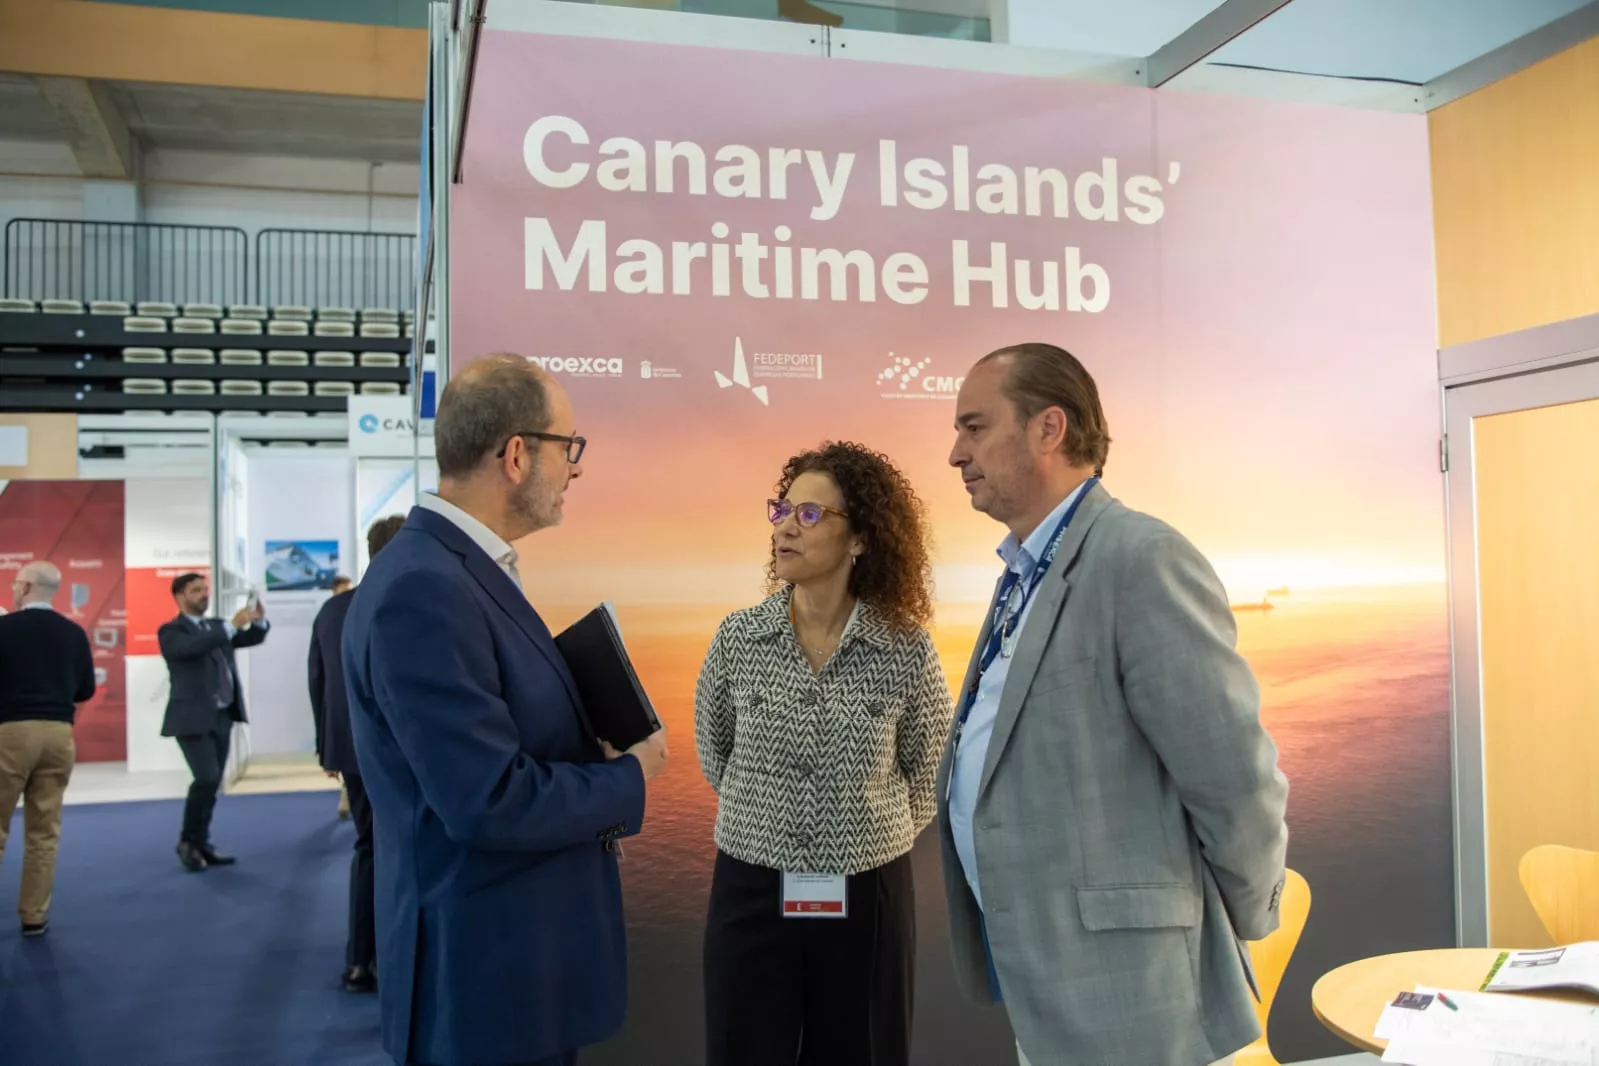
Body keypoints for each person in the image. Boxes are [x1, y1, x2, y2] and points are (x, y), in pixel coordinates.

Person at [939, 343, 1290, 1066]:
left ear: (1049, 428)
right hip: (1047, 976)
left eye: (974, 426)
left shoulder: (1138, 558)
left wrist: (1242, 920)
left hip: (1132, 991)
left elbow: (1233, 776)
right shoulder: (1025, 570)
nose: (955, 452)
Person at [343, 353, 670, 1066]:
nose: (576, 469)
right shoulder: (424, 588)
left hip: (507, 975)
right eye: (569, 447)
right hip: (484, 989)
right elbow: (486, 800)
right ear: (517, 454)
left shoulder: (450, 571)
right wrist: (632, 775)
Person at [695, 441, 954, 1066]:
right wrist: (772, 822)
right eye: (781, 511)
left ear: (860, 538)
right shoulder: (738, 639)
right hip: (751, 892)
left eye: (810, 516)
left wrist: (862, 832)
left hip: (869, 897)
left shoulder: (905, 649)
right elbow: (715, 752)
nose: (786, 526)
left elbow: (930, 770)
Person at [308, 516, 404, 994]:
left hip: (350, 751)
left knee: (368, 847)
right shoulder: (403, 602)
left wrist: (327, 747)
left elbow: (318, 682)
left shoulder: (333, 610)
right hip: (396, 752)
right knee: (402, 851)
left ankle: (358, 962)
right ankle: (394, 959)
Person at [0, 561, 95, 937]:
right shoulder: (73, 633)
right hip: (59, 735)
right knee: (44, 831)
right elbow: (85, 690)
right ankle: (34, 915)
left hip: (11, 733)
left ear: (23, 587)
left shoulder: (3, 629)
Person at [158, 572, 269, 872]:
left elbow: (249, 638)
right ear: (180, 596)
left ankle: (201, 842)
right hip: (191, 719)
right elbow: (190, 649)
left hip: (222, 715)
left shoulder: (215, 627)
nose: (204, 595)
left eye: (205, 589)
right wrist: (230, 627)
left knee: (213, 782)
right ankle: (187, 841)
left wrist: (257, 621)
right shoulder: (171, 631)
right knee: (206, 778)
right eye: (196, 590)